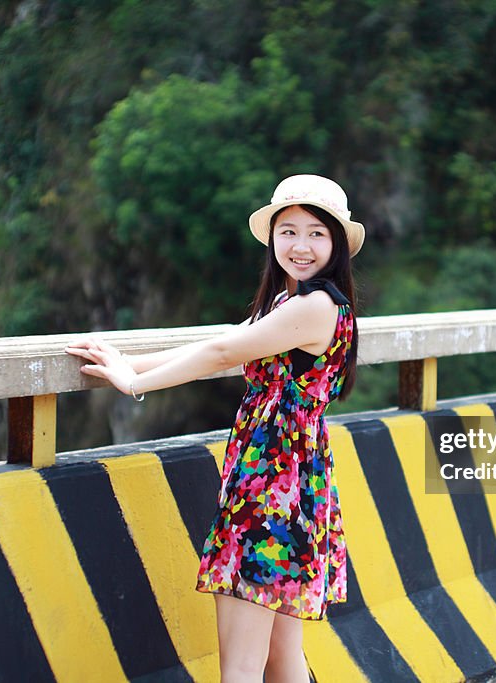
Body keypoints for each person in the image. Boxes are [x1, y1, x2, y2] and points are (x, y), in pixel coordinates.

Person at [65, 174, 362, 683]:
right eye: (288, 231)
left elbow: (221, 354)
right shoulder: (289, 304)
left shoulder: (314, 306)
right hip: (290, 485)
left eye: (316, 233)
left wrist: (134, 384)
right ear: (272, 238)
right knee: (280, 660)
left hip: (271, 491)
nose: (301, 245)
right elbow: (228, 342)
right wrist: (130, 360)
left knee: (241, 668)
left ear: (336, 243)